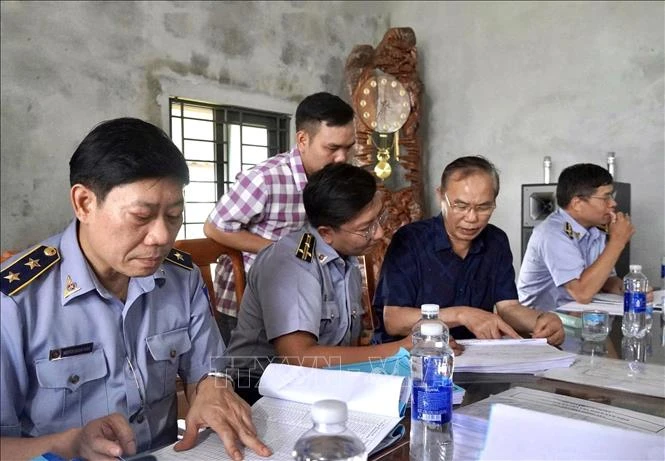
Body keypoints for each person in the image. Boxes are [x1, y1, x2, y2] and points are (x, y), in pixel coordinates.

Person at [0, 118, 271, 461]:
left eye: (173, 216)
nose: (161, 236)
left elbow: (207, 368)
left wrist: (212, 387)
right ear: (84, 203)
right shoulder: (15, 301)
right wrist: (67, 445)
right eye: (141, 216)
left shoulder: (180, 277)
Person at [223, 163, 414, 405]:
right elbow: (299, 357)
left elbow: (344, 347)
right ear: (325, 233)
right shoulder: (293, 263)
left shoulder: (344, 259)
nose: (378, 234)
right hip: (257, 389)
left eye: (379, 219)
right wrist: (400, 349)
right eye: (366, 228)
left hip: (318, 383)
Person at [203, 92, 356, 345]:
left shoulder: (332, 180)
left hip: (305, 301)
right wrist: (279, 250)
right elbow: (215, 227)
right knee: (250, 380)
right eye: (332, 148)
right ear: (303, 139)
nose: (341, 158)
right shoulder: (265, 179)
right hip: (247, 303)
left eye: (347, 148)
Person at [373, 155, 564, 345]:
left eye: (483, 207)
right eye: (461, 206)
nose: (472, 218)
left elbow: (508, 307)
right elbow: (394, 321)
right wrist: (462, 314)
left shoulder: (496, 241)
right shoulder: (410, 240)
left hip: (474, 356)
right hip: (409, 357)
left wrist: (541, 321)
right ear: (441, 196)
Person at [517, 163, 635, 310]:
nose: (613, 203)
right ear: (577, 203)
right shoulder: (552, 233)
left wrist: (630, 289)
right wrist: (617, 241)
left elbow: (605, 280)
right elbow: (582, 293)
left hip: (575, 318)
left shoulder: (595, 230)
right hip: (539, 324)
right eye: (605, 198)